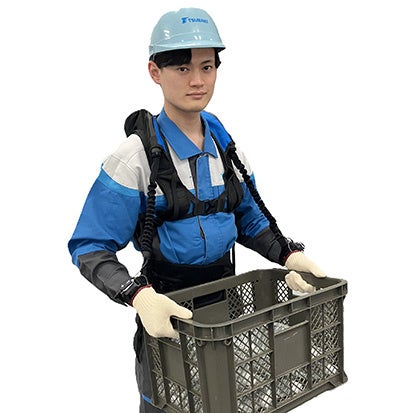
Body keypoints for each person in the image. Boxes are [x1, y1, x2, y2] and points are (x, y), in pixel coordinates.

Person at [68, 7, 327, 412]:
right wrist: (138, 296)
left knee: (226, 400)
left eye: (207, 67)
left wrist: (287, 254)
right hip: (166, 318)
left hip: (228, 315)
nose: (197, 80)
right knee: (168, 403)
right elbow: (89, 246)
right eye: (182, 68)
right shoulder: (135, 158)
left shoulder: (227, 149)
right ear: (155, 72)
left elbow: (249, 217)